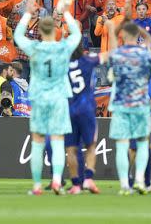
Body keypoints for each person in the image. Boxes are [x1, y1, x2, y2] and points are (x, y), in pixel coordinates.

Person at [13, 0, 82, 195]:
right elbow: (77, 33)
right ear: (55, 29)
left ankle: (36, 186)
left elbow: (17, 35)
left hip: (40, 98)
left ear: (41, 31)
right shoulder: (64, 47)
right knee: (58, 140)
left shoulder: (34, 47)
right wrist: (67, 12)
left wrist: (27, 12)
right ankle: (56, 180)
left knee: (38, 141)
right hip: (59, 98)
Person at [108, 20, 151, 195]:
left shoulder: (117, 54)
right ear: (137, 35)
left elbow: (112, 44)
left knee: (121, 145)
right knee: (142, 143)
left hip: (120, 105)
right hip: (141, 104)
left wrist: (115, 30)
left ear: (123, 36)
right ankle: (140, 180)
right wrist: (142, 30)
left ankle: (125, 185)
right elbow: (150, 42)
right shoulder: (145, 54)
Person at [66, 43, 101, 194]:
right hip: (86, 109)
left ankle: (75, 184)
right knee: (91, 145)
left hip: (70, 109)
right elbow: (108, 54)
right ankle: (88, 178)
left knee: (71, 149)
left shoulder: (63, 66)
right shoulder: (88, 61)